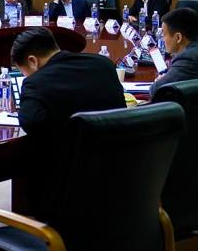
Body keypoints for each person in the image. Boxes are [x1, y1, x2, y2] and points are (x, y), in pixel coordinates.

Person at [13, 27, 125, 218]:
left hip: (67, 202)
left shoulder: (36, 83)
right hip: (119, 186)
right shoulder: (103, 64)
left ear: (33, 61)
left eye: (23, 72)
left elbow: (31, 123)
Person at [150, 8, 198, 97]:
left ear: (178, 38)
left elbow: (155, 91)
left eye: (164, 35)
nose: (162, 39)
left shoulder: (188, 58)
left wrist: (159, 81)